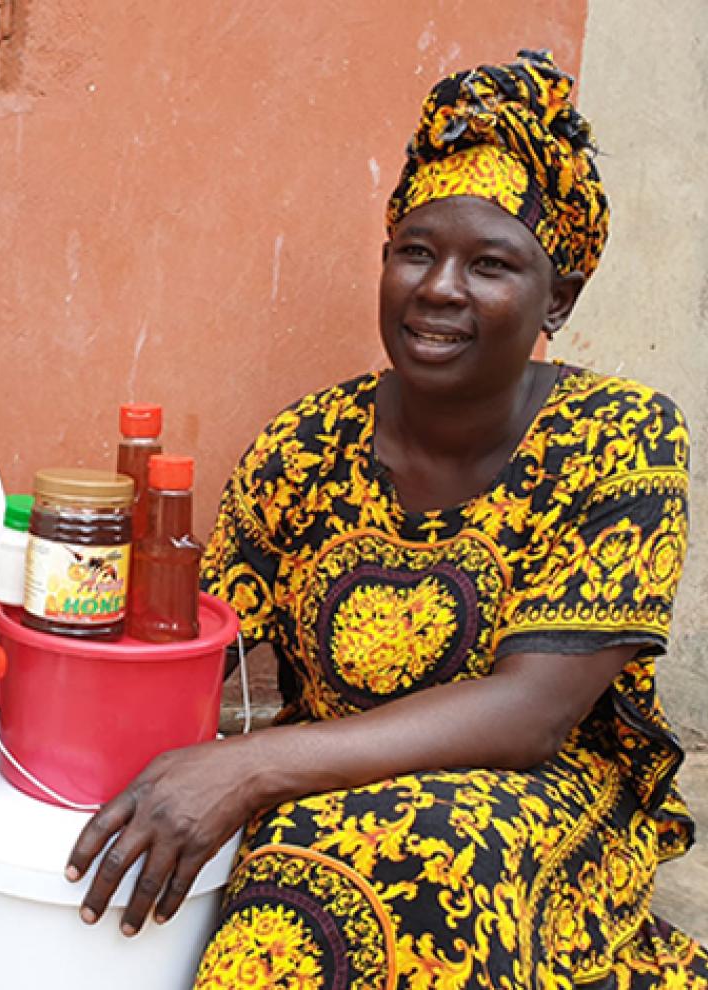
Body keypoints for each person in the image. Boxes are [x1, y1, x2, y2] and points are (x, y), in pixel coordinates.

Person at [65, 50, 707, 989]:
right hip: (323, 791)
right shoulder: (306, 442)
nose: (439, 287)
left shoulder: (618, 439)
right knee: (300, 893)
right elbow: (206, 641)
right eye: (416, 250)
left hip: (537, 797)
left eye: (490, 264)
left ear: (556, 300)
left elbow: (533, 713)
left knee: (442, 865)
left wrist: (247, 772)